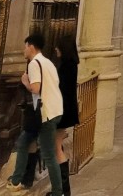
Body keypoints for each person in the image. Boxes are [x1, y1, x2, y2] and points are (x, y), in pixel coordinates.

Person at [6, 33, 63, 196]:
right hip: (53, 110)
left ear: (31, 46)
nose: (24, 50)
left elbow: (36, 88)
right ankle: (17, 180)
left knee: (48, 154)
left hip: (45, 113)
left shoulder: (34, 64)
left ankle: (58, 192)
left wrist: (25, 81)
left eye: (25, 46)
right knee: (24, 142)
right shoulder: (48, 63)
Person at [54, 35, 80, 196]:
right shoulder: (72, 65)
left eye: (58, 46)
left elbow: (61, 89)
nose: (55, 49)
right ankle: (61, 190)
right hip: (67, 110)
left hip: (62, 111)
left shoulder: (66, 66)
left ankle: (63, 191)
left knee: (56, 148)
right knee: (56, 147)